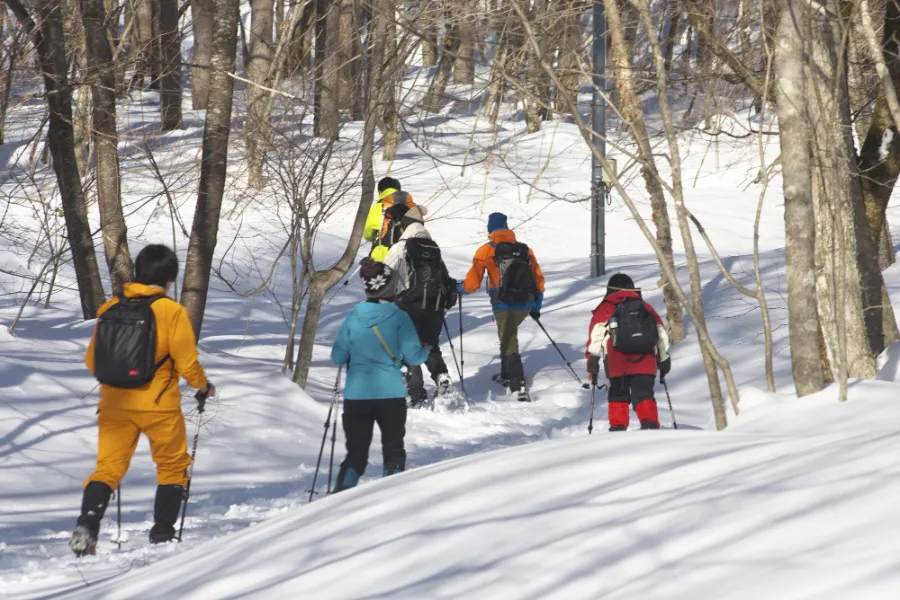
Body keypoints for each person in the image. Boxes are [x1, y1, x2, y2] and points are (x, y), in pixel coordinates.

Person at [69, 245, 214, 557]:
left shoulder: (109, 309)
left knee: (107, 468)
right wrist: (204, 386)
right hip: (159, 405)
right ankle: (162, 534)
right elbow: (187, 364)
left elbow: (92, 361)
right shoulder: (171, 311)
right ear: (168, 278)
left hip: (114, 405)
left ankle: (87, 529)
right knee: (172, 465)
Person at [331, 258, 428, 491]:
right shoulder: (399, 317)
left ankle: (338, 501)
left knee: (356, 455)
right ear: (390, 287)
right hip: (391, 395)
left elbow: (337, 357)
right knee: (393, 451)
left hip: (357, 396)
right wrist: (425, 349)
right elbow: (414, 357)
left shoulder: (353, 318)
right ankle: (392, 502)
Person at [456, 212, 544, 402]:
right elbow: (538, 278)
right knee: (507, 336)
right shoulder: (525, 250)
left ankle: (517, 384)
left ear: (490, 230)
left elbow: (472, 284)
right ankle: (506, 375)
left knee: (508, 338)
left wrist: (458, 289)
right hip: (526, 301)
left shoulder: (485, 251)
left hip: (503, 302)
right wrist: (536, 305)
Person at [383, 204, 458, 407]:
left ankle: (417, 393)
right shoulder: (433, 247)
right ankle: (442, 376)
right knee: (430, 345)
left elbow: (385, 275)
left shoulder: (401, 246)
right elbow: (444, 277)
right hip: (435, 307)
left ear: (404, 225)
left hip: (409, 305)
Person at [585, 273, 671, 431]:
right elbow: (660, 334)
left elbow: (595, 336)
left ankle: (618, 427)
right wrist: (664, 358)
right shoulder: (644, 307)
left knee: (618, 394)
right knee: (644, 394)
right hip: (646, 359)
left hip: (617, 361)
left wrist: (592, 360)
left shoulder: (606, 307)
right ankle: (650, 425)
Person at [364, 177, 416, 262]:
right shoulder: (410, 208)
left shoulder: (377, 208)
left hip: (381, 258)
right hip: (405, 258)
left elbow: (367, 233)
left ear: (380, 191)